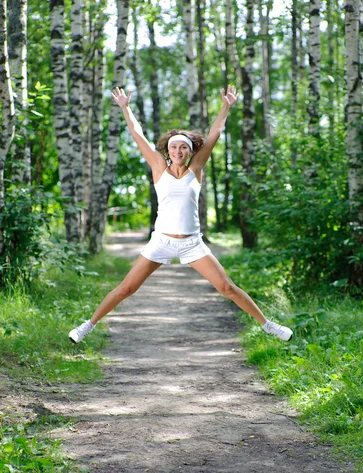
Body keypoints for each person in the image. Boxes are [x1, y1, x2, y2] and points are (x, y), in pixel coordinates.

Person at [69, 85, 293, 344]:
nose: (178, 151)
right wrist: (125, 108)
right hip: (162, 241)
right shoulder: (158, 167)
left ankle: (268, 325)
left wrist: (225, 107)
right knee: (127, 288)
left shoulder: (195, 169)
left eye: (183, 148)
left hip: (191, 243)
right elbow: (137, 134)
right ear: (168, 150)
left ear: (189, 152)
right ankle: (88, 325)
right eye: (174, 147)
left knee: (227, 288)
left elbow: (215, 133)